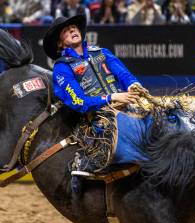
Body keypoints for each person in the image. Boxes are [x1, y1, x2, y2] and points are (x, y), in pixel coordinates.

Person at [43, 15, 142, 179]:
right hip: (97, 118)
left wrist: (133, 84)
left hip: (127, 106)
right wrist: (112, 98)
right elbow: (80, 102)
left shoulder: (101, 52)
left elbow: (124, 74)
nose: (72, 30)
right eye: (66, 31)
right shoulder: (62, 68)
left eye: (73, 27)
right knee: (98, 153)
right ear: (60, 43)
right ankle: (84, 168)